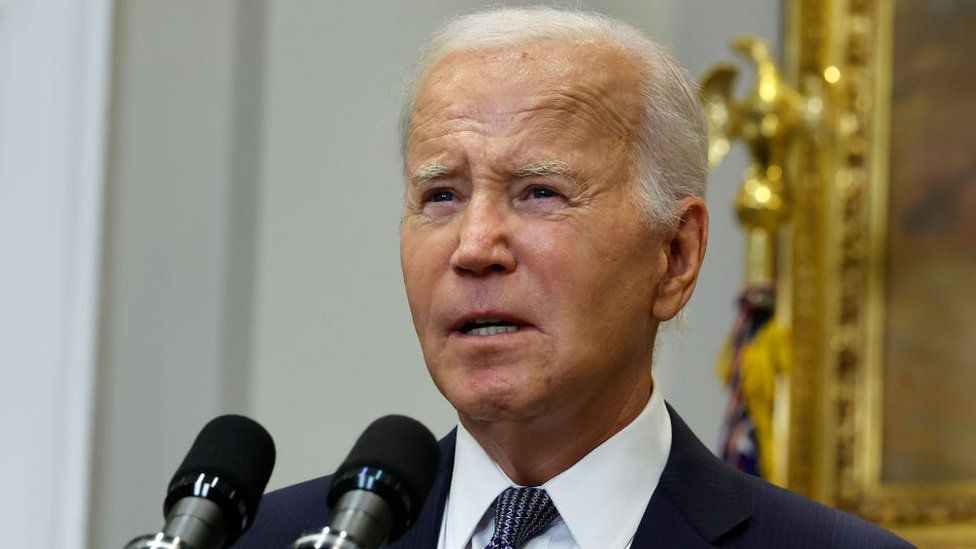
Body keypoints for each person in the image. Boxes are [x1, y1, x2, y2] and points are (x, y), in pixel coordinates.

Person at [236, 7, 910, 548]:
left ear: (675, 254)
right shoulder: (265, 539)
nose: (474, 247)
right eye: (441, 195)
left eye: (539, 193)